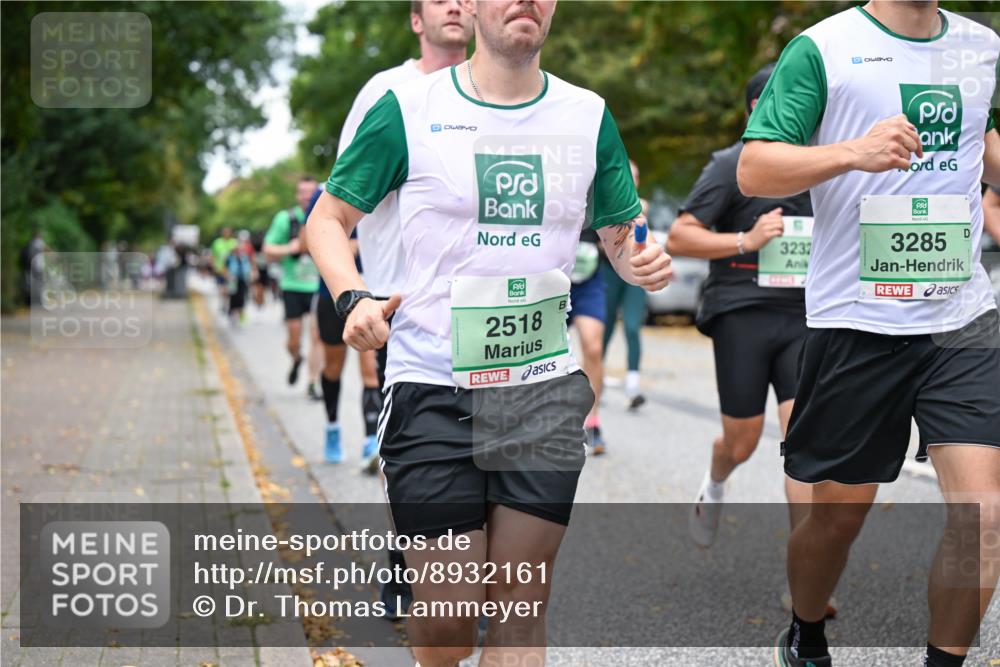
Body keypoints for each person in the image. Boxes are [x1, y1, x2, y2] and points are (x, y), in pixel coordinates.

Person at [305, 1, 673, 664]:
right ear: (471, 6)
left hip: (540, 395)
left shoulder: (587, 115)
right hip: (431, 391)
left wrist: (637, 259)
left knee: (519, 609)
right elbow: (327, 220)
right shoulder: (407, 108)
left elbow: (618, 233)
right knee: (447, 623)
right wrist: (351, 294)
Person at [738, 3, 1000, 666]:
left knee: (985, 515)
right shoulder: (823, 48)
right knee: (836, 520)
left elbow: (981, 147)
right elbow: (756, 168)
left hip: (962, 318)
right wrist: (855, 151)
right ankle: (806, 629)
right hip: (856, 321)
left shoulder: (983, 47)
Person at [333, 0, 475, 621]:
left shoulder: (499, 95)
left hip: (479, 306)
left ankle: (472, 565)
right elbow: (345, 192)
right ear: (417, 21)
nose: (456, 6)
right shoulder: (387, 92)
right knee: (414, 449)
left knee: (486, 451)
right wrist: (355, 289)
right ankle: (406, 556)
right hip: (399, 297)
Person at [667, 64, 815, 557]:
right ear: (758, 109)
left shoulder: (822, 165)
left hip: (803, 317)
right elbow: (680, 235)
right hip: (742, 314)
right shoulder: (733, 165)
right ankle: (714, 481)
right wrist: (745, 240)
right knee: (743, 442)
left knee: (803, 443)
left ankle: (805, 580)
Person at [301, 187, 384, 464]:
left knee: (371, 370)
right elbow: (311, 240)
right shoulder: (323, 191)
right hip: (334, 294)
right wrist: (346, 247)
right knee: (334, 367)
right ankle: (333, 426)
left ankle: (370, 441)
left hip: (375, 289)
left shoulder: (387, 183)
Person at [263, 176, 323, 391]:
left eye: (311, 192)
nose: (307, 196)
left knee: (318, 336)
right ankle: (297, 358)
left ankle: (312, 382)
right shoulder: (285, 218)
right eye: (303, 192)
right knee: (293, 340)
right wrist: (292, 248)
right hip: (292, 287)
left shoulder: (325, 215)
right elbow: (268, 250)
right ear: (297, 195)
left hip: (318, 287)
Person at [602, 159, 649, 410]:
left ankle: (632, 384)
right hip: (609, 274)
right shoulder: (604, 205)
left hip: (634, 276)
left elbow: (639, 235)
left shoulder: (641, 205)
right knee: (604, 327)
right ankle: (595, 379)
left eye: (636, 177)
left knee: (632, 327)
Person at [568, 226, 610, 454]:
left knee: (593, 348)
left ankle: (592, 422)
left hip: (589, 279)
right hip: (551, 275)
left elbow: (627, 193)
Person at [225, 234, 255, 327]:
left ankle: (240, 314)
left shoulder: (244, 257)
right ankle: (232, 313)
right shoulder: (230, 257)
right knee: (233, 297)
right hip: (233, 279)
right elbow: (225, 268)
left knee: (241, 297)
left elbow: (248, 266)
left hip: (242, 279)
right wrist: (227, 276)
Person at [210, 228, 238, 311]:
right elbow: (213, 255)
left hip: (232, 270)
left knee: (230, 288)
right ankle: (223, 302)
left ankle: (229, 303)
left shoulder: (234, 242)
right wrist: (214, 266)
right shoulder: (217, 242)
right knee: (221, 287)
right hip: (220, 269)